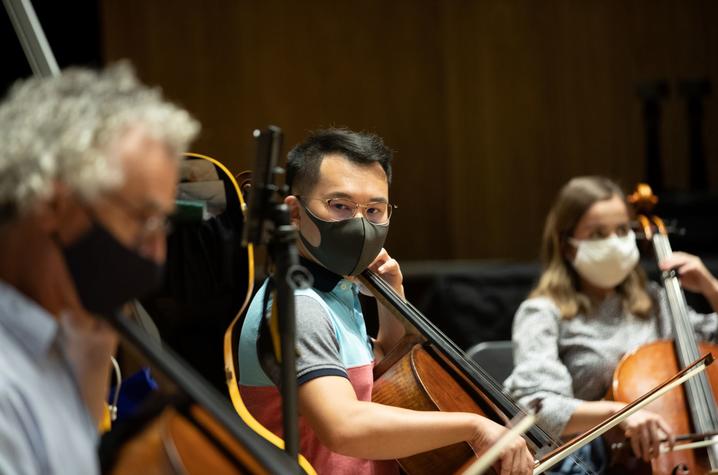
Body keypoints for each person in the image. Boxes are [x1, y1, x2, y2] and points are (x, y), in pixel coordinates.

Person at [238, 128, 533, 474]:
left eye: (375, 210)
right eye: (340, 206)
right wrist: (474, 426)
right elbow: (343, 427)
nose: (361, 223)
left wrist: (391, 298)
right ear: (294, 213)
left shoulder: (337, 292)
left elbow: (388, 378)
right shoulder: (299, 306)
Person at [0, 64, 199, 475]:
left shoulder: (63, 337)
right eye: (143, 221)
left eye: (162, 225)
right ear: (55, 206)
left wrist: (91, 371)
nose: (157, 253)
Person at [504, 176, 718, 473]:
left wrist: (711, 287)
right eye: (598, 234)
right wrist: (619, 413)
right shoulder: (542, 313)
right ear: (567, 246)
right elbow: (536, 408)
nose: (614, 242)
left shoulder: (654, 301)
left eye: (621, 230)